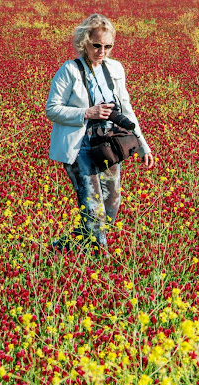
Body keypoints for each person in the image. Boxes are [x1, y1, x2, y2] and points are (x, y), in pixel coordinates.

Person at [46, 14, 154, 254]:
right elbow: (52, 110)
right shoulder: (69, 70)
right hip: (79, 147)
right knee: (93, 209)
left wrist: (143, 146)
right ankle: (98, 261)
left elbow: (127, 109)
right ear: (84, 42)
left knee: (111, 205)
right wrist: (87, 112)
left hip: (108, 145)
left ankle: (61, 248)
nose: (102, 51)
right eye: (97, 45)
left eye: (108, 46)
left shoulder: (115, 68)